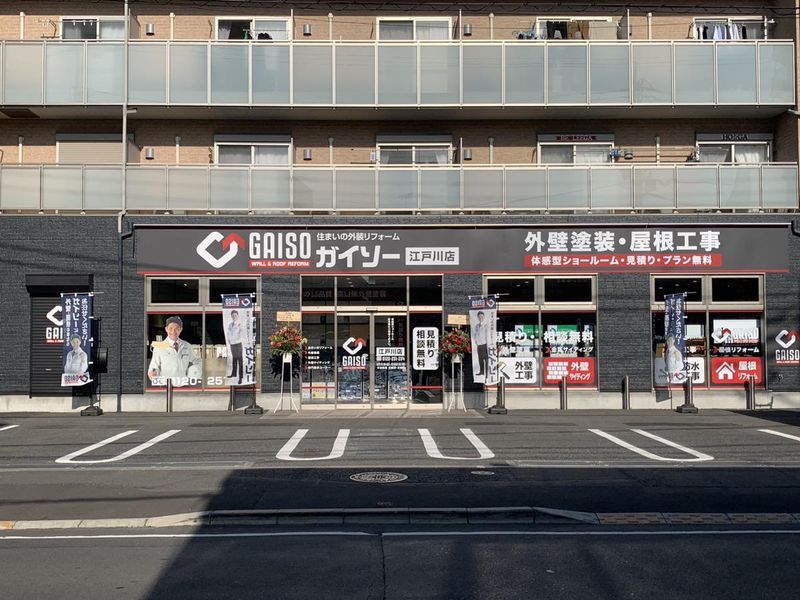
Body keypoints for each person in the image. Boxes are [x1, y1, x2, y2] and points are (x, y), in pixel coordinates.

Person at [147, 316, 201, 384]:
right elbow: (154, 367)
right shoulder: (159, 347)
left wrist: (195, 371)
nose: (173, 331)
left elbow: (198, 360)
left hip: (183, 385)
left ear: (181, 329)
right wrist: (153, 373)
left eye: (176, 329)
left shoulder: (187, 346)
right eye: (170, 328)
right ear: (166, 329)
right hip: (166, 386)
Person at [226, 310, 244, 384]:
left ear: (238, 316)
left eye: (235, 315)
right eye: (233, 315)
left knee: (240, 360)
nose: (234, 317)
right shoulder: (230, 324)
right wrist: (229, 340)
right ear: (231, 316)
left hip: (238, 344)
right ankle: (233, 374)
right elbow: (228, 333)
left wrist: (236, 340)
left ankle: (240, 377)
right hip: (232, 344)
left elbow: (242, 334)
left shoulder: (240, 324)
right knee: (234, 359)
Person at [474, 311, 489, 376]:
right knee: (480, 359)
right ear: (478, 317)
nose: (481, 318)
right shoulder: (477, 326)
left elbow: (487, 335)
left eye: (482, 316)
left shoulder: (486, 325)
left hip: (484, 344)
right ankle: (481, 371)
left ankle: (487, 372)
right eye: (479, 317)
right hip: (479, 345)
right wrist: (476, 342)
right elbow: (475, 334)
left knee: (486, 359)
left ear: (484, 317)